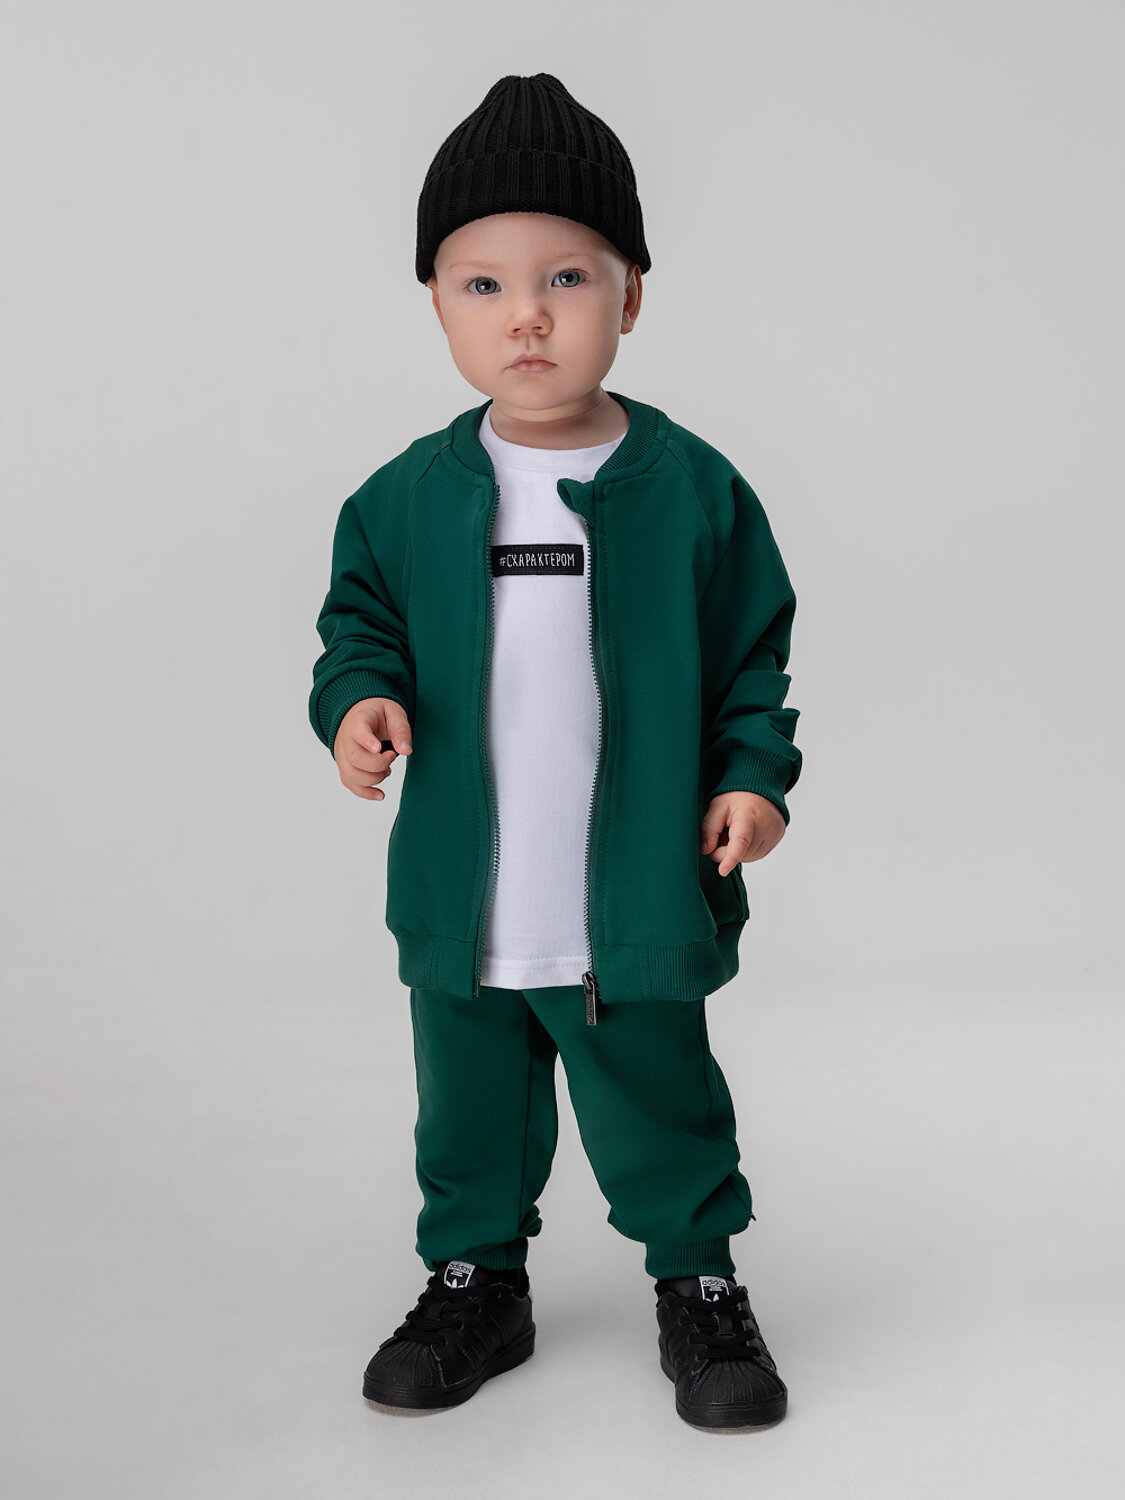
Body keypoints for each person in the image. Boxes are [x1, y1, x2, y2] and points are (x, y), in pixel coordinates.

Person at [308, 73, 802, 1430]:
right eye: (484, 284)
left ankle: (697, 1278)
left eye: (566, 278)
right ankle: (476, 1277)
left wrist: (751, 776)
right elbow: (356, 626)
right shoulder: (407, 497)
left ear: (630, 296)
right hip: (465, 888)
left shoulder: (689, 489)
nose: (525, 315)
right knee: (466, 1106)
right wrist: (357, 701)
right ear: (436, 303)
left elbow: (752, 656)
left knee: (658, 1094)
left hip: (630, 888)